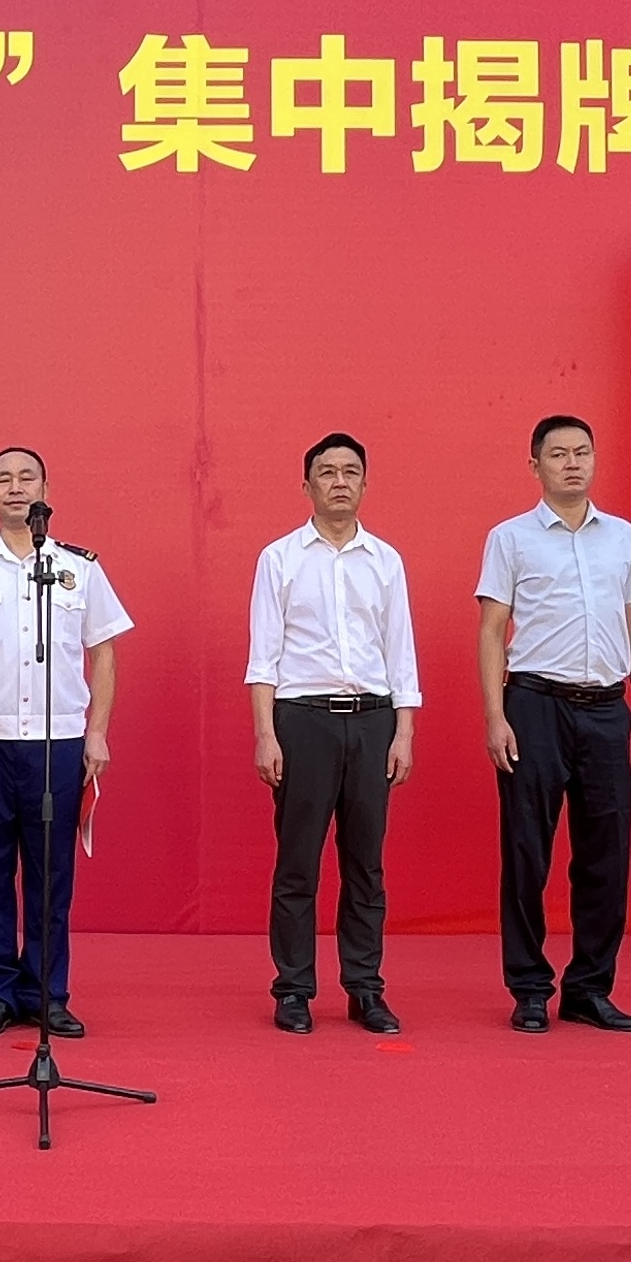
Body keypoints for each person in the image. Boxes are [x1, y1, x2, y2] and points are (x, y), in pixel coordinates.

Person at [0, 447, 132, 1038]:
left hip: (57, 742)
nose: (15, 488)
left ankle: (46, 992)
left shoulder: (77, 568)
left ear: (45, 488)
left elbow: (103, 652)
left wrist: (97, 731)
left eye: (26, 478)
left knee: (51, 873)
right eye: (3, 479)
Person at [477, 414, 631, 1035]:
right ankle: (529, 987)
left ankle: (589, 988)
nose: (573, 463)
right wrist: (496, 715)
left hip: (607, 708)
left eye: (583, 452)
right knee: (527, 851)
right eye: (558, 454)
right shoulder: (510, 538)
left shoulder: (623, 538)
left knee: (607, 854)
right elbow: (492, 630)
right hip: (535, 706)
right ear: (536, 466)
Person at [246, 432, 420, 1035]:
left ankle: (365, 988)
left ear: (365, 484)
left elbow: (400, 652)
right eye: (327, 472)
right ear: (307, 485)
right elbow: (263, 656)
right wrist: (265, 734)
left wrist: (404, 732)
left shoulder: (386, 560)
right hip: (304, 720)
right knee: (298, 863)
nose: (339, 481)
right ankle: (294, 989)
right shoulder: (280, 558)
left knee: (366, 864)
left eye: (350, 471)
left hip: (373, 720)